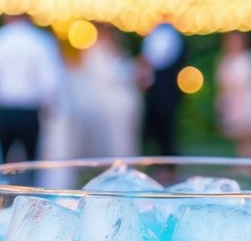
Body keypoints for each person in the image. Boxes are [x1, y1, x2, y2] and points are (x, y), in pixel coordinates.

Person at [0, 13, 64, 161]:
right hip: (30, 111)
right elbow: (51, 81)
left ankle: (3, 184)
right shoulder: (41, 40)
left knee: (2, 161)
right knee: (32, 161)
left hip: (4, 110)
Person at [69, 23, 142, 158]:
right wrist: (132, 71)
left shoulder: (114, 49)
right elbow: (107, 75)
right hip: (107, 106)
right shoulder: (94, 51)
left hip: (121, 105)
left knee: (124, 139)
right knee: (113, 141)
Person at [215, 30, 251, 157]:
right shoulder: (226, 60)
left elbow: (248, 84)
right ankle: (243, 165)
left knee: (250, 137)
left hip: (247, 103)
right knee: (239, 138)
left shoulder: (248, 60)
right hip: (232, 103)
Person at [139, 19, 185, 156]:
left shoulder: (174, 36)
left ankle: (169, 165)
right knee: (155, 127)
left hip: (167, 91)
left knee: (167, 128)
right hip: (154, 90)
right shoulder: (153, 35)